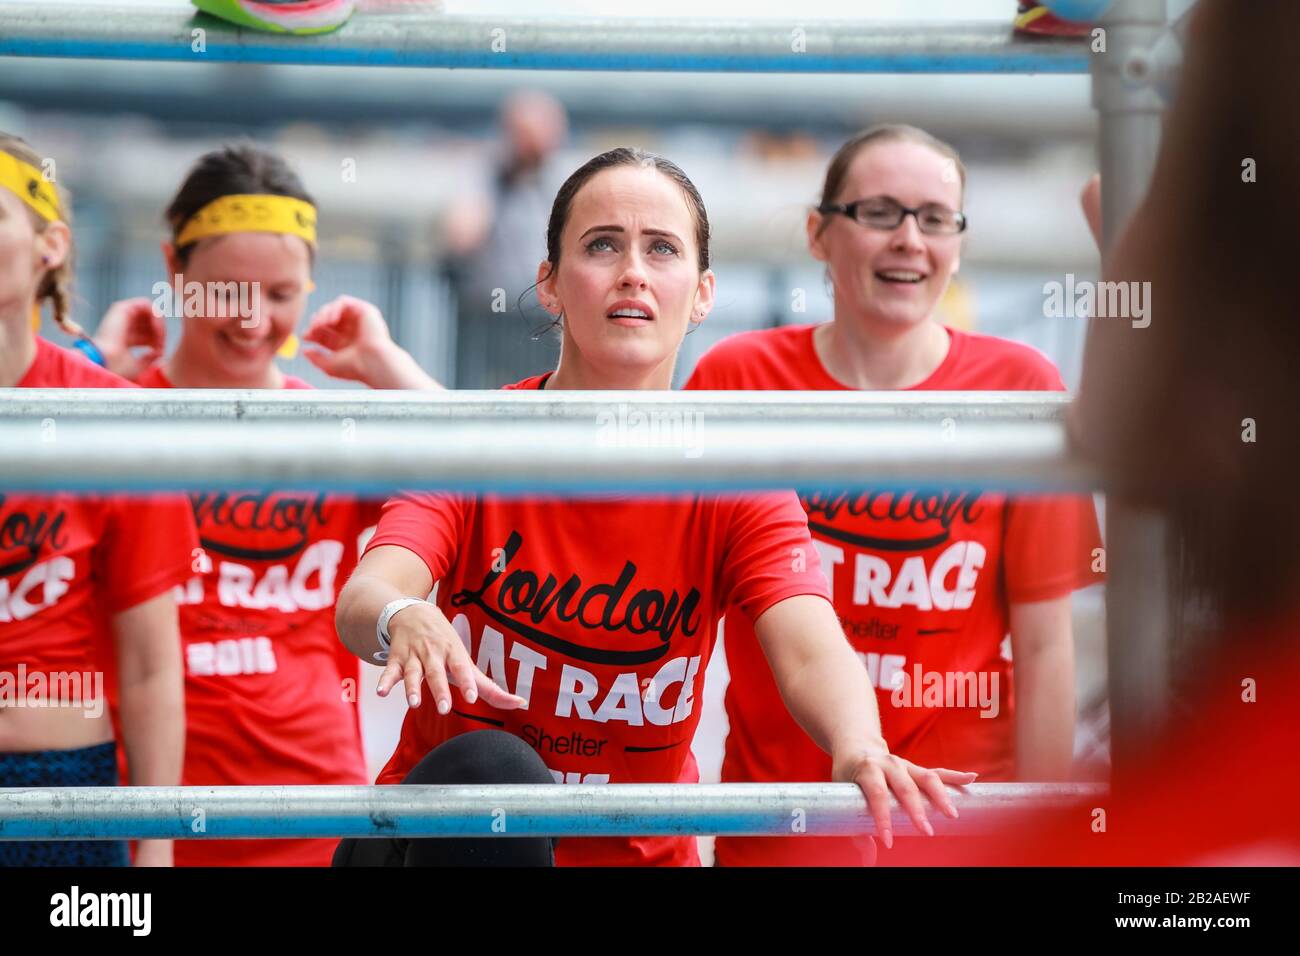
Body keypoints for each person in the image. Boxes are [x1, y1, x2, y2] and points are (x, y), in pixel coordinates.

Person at [333, 146, 977, 867]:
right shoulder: (473, 442)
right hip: (444, 849)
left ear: (702, 294)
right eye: (602, 244)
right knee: (498, 768)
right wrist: (403, 615)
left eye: (661, 249)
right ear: (548, 284)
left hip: (639, 853)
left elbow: (811, 647)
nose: (632, 271)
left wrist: (861, 743)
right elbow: (367, 593)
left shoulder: (733, 476)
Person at [685, 124, 1102, 867]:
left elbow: (1045, 646)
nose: (910, 238)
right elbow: (672, 606)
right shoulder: (738, 379)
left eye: (935, 218)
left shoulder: (1020, 388)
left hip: (962, 822)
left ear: (959, 244)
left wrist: (1047, 844)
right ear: (819, 233)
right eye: (879, 212)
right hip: (788, 821)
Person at [89, 142, 439, 866]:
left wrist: (388, 367)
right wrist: (91, 372)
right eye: (227, 292)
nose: (253, 320)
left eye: (280, 295)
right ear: (174, 273)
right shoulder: (117, 418)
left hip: (312, 817)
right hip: (149, 816)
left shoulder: (327, 432)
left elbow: (488, 473)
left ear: (311, 287)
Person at [0, 133, 196, 867]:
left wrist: (156, 848)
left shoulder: (110, 417)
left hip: (64, 794)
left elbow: (150, 664)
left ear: (50, 244)